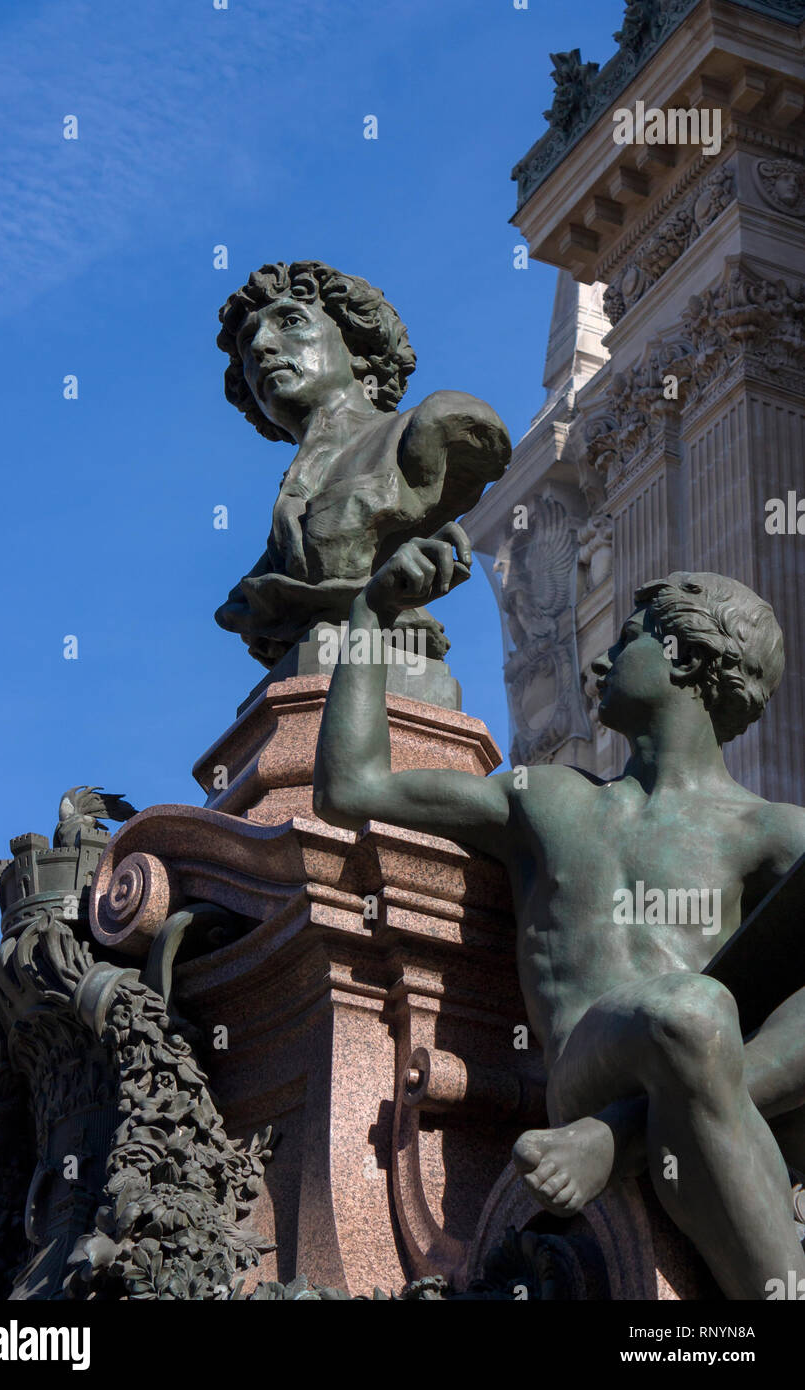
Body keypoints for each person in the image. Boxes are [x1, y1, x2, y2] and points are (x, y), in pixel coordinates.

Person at [313, 522, 805, 1300]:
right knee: (693, 1008)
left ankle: (621, 1139)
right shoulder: (549, 799)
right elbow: (352, 787)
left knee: (706, 1017)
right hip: (588, 1063)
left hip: (698, 1082)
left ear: (687, 658)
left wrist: (611, 1136)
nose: (602, 660)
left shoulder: (776, 833)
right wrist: (371, 615)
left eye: (633, 637)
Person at [214, 262, 510, 666]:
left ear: (357, 349)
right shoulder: (261, 571)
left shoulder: (439, 424)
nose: (261, 346)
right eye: (249, 339)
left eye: (291, 321)